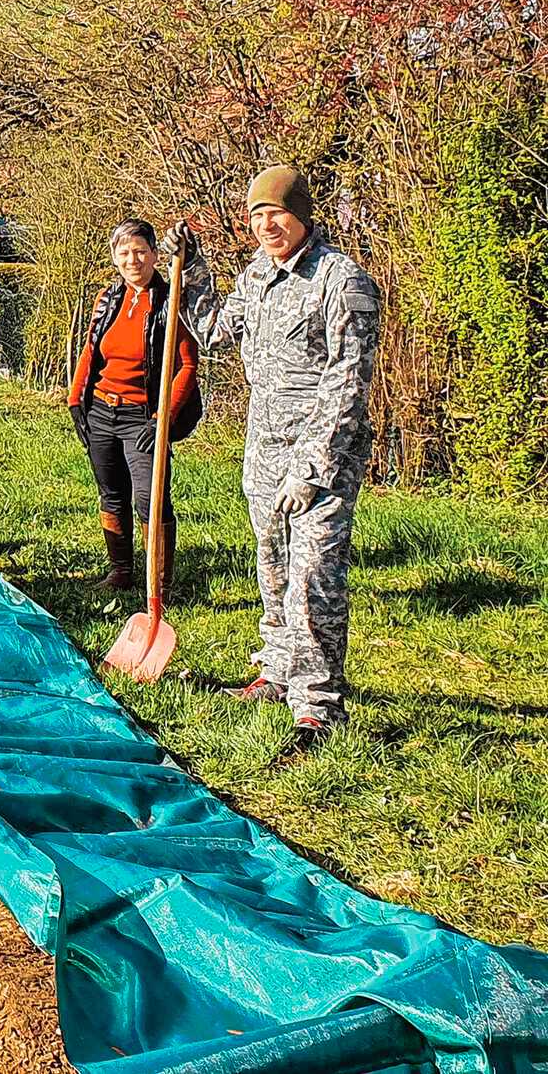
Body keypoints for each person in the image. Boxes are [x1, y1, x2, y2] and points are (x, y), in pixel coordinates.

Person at [167, 165, 381, 747]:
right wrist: (193, 271)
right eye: (258, 215)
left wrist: (311, 469)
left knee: (313, 578)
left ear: (303, 215)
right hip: (263, 454)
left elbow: (348, 383)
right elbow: (211, 331)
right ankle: (279, 673)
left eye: (278, 213)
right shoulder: (258, 274)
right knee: (274, 569)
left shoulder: (342, 281)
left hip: (320, 461)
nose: (268, 225)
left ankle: (318, 705)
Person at [67, 220, 202, 591]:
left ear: (156, 255)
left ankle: (158, 583)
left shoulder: (171, 300)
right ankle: (121, 571)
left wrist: (162, 419)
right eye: (124, 252)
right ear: (114, 257)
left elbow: (187, 366)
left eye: (141, 251)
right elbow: (91, 351)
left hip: (143, 416)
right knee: (110, 493)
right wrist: (76, 399)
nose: (133, 259)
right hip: (101, 410)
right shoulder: (107, 299)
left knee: (149, 496)